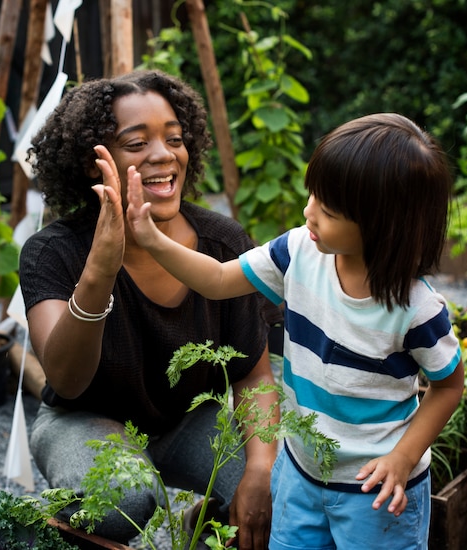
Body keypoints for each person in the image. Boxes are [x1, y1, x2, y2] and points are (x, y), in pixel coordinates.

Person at [121, 112, 465, 549]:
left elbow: (449, 386)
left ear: (382, 226)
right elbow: (219, 279)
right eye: (313, 196)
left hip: (375, 493)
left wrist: (403, 457)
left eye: (328, 208)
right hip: (300, 472)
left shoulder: (415, 309)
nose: (309, 212)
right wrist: (152, 240)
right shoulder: (299, 250)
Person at [19, 70, 280, 548]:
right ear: (92, 162)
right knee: (122, 499)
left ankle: (197, 522)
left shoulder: (221, 243)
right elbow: (66, 378)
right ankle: (52, 520)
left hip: (186, 421)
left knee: (279, 489)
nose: (164, 154)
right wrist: (100, 269)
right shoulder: (52, 252)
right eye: (136, 143)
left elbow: (253, 376)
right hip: (83, 421)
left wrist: (261, 470)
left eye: (175, 139)